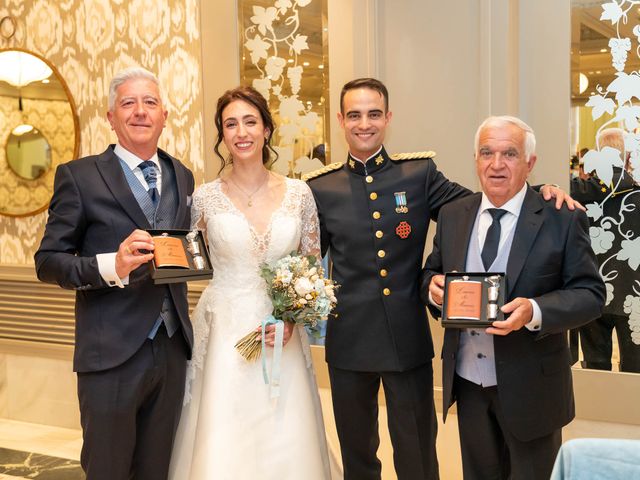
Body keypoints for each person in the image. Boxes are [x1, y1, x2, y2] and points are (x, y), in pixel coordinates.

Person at [304, 78, 579, 480]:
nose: (365, 123)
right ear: (341, 120)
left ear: (388, 118)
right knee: (357, 453)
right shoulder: (320, 188)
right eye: (355, 115)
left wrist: (539, 191)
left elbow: (486, 198)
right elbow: (310, 262)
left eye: (374, 114)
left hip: (406, 339)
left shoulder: (418, 175)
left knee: (416, 452)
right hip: (350, 341)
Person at [422, 115, 605, 480]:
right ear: (475, 159)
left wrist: (535, 311)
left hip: (533, 388)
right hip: (469, 386)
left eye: (509, 153)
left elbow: (590, 294)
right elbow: (432, 271)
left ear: (529, 163)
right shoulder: (454, 214)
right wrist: (433, 289)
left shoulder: (561, 217)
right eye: (486, 152)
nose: (496, 164)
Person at [34, 67, 195, 480]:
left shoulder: (183, 174)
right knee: (107, 469)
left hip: (173, 347)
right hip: (109, 355)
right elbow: (48, 261)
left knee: (157, 470)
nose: (140, 112)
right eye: (128, 103)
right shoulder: (80, 176)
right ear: (110, 116)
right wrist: (113, 265)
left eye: (150, 102)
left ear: (164, 115)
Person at [168, 86, 331, 479]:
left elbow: (311, 266)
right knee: (224, 425)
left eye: (250, 122)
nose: (241, 132)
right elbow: (182, 258)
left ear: (267, 129)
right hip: (224, 326)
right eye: (230, 124)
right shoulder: (204, 198)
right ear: (222, 135)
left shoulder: (299, 193)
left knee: (284, 426)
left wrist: (293, 318)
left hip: (281, 333)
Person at [572, 128, 640, 372]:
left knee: (594, 365)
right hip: (633, 292)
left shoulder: (577, 193)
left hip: (591, 289)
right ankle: (631, 410)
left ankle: (599, 411)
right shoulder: (636, 193)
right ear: (627, 156)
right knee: (635, 368)